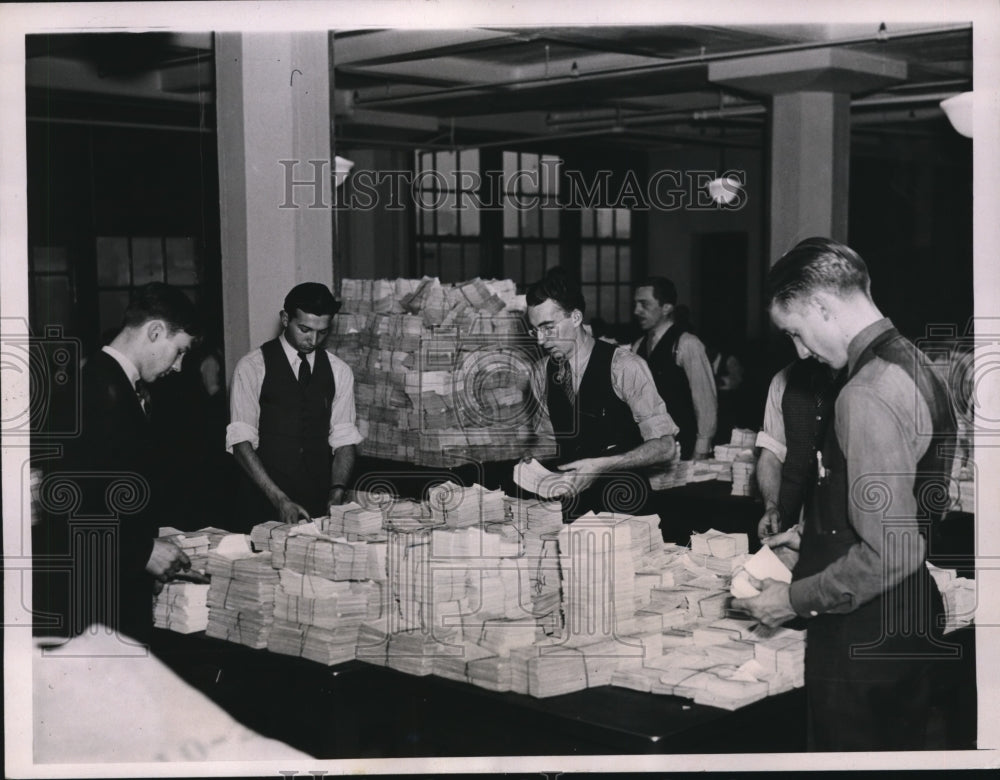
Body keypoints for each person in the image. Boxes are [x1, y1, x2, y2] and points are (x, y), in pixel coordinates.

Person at [733, 237, 956, 751]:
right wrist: (814, 541)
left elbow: (891, 549)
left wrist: (792, 598)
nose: (801, 351)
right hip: (909, 620)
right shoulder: (919, 367)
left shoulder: (865, 393)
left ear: (820, 306)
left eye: (796, 332)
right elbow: (909, 508)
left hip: (863, 638)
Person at [59, 282, 202, 643]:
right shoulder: (95, 390)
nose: (180, 366)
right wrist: (142, 552)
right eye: (179, 351)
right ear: (155, 332)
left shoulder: (114, 382)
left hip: (116, 585)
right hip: (93, 604)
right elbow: (70, 504)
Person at [523, 267, 679, 521]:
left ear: (575, 318)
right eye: (534, 330)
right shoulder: (540, 374)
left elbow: (665, 446)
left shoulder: (625, 366)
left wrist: (602, 465)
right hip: (571, 509)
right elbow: (549, 438)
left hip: (626, 507)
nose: (541, 340)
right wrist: (531, 460)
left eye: (548, 327)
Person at [227, 282, 362, 524]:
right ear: (285, 318)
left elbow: (344, 440)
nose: (313, 340)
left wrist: (337, 490)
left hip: (316, 504)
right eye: (305, 329)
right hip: (262, 504)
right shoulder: (251, 367)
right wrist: (279, 499)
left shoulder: (339, 371)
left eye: (322, 332)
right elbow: (241, 444)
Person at [754, 357, 844, 541]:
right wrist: (771, 507)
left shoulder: (863, 381)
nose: (801, 350)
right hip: (788, 522)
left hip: (839, 530)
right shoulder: (783, 380)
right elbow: (771, 455)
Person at [632, 277, 717, 459]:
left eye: (644, 304)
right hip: (647, 447)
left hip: (682, 447)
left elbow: (705, 403)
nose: (636, 311)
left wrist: (702, 448)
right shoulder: (638, 346)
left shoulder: (687, 344)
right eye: (636, 304)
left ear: (666, 308)